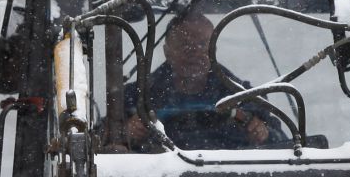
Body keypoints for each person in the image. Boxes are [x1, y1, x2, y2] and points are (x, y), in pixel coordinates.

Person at [121, 8, 285, 149]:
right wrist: (126, 133)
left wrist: (264, 134)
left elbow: (285, 146)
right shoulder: (134, 98)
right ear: (167, 52)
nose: (194, 52)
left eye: (201, 45)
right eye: (185, 44)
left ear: (213, 50)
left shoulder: (244, 97)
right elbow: (104, 146)